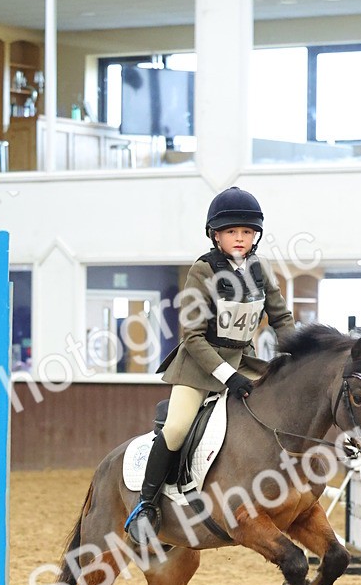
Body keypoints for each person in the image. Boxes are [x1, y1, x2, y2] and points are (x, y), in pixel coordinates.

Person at [125, 186, 297, 545]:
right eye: (232, 232)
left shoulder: (260, 270)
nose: (240, 238)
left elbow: (282, 319)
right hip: (199, 366)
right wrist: (227, 376)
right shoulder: (202, 271)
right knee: (176, 429)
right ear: (215, 235)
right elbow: (192, 336)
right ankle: (146, 506)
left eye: (247, 232)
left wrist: (296, 356)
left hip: (244, 362)